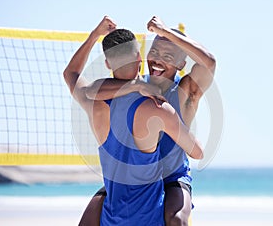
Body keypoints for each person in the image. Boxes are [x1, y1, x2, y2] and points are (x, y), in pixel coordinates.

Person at [63, 16, 203, 226]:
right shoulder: (158, 108)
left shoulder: (94, 103)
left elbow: (71, 74)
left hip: (112, 215)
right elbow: (197, 152)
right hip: (150, 216)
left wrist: (95, 35)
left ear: (108, 63)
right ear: (140, 58)